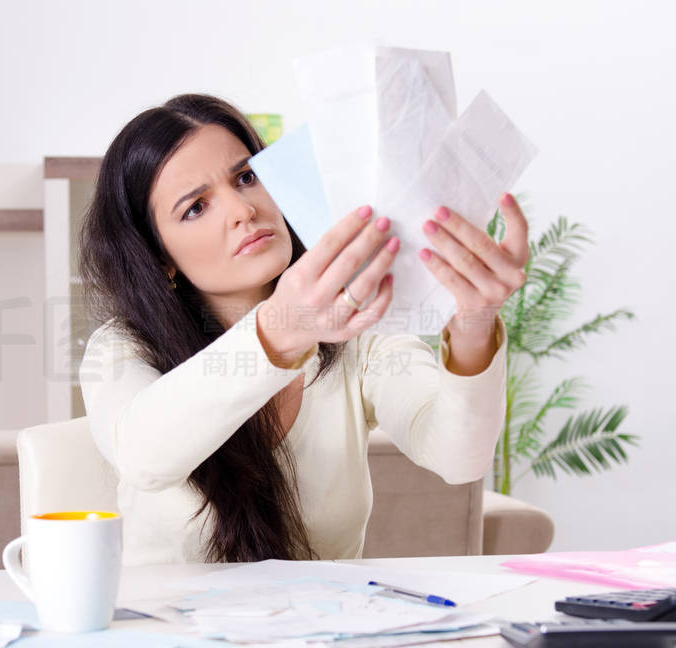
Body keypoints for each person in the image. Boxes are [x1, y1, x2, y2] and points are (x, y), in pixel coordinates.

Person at [78, 93, 526, 566]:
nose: (242, 210)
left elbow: (460, 458)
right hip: (169, 632)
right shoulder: (122, 349)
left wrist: (475, 320)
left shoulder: (358, 331)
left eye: (246, 177)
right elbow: (144, 457)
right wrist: (282, 328)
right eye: (196, 207)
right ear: (160, 256)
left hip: (324, 634)